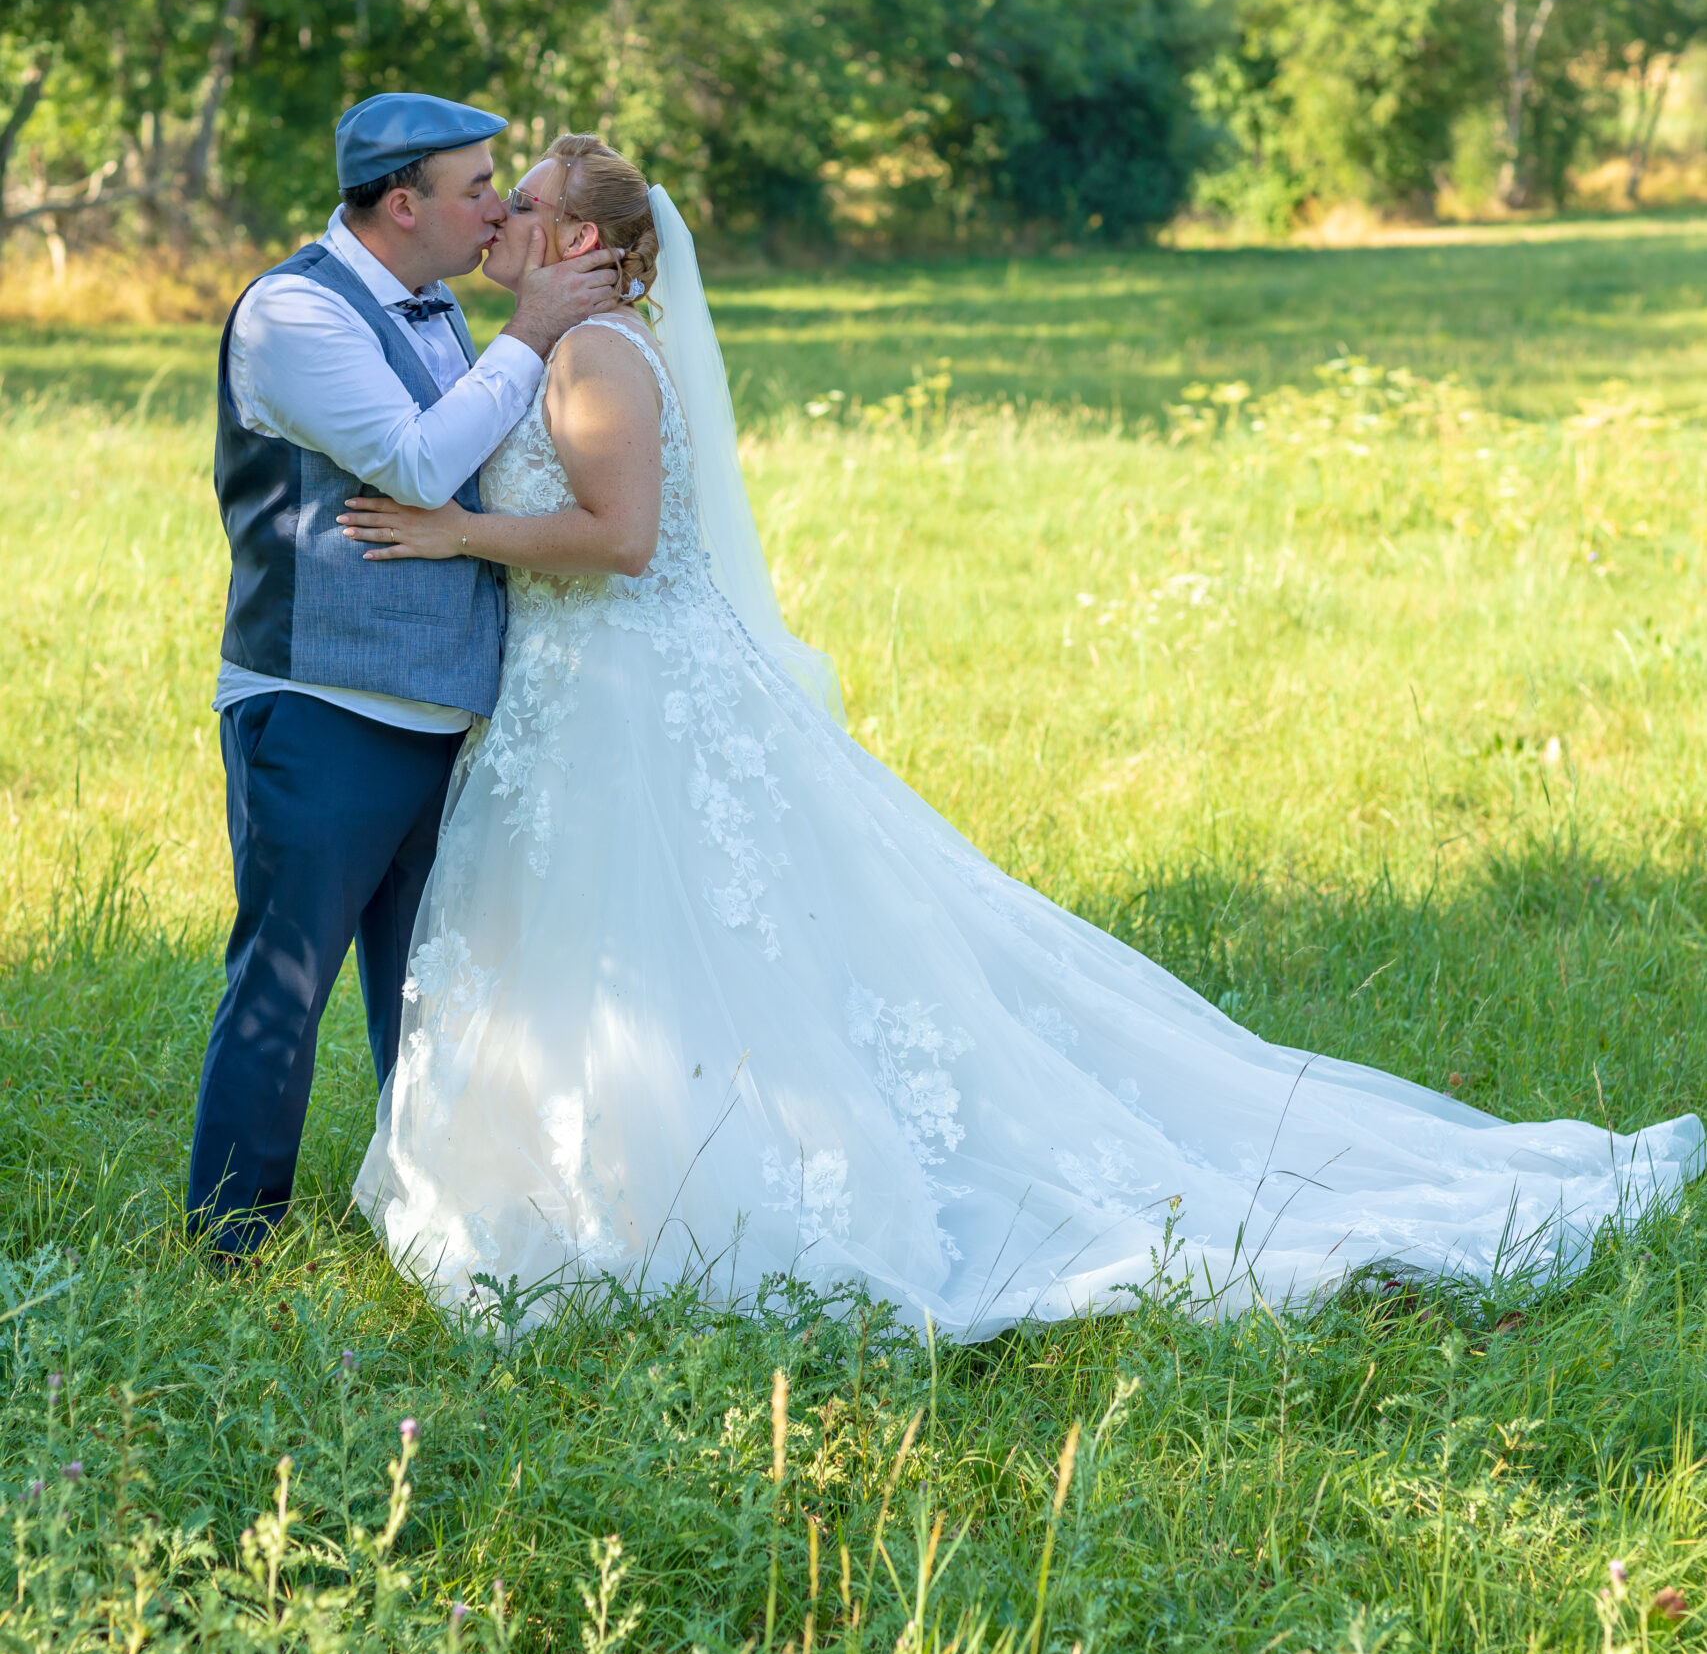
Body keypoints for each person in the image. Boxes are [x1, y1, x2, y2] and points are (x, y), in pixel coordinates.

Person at [339, 134, 1704, 1340]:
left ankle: (679, 1200)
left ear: (581, 240)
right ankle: (604, 1176)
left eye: (516, 207)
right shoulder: (553, 347)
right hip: (578, 703)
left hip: (632, 700)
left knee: (688, 936)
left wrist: (458, 530)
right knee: (636, 951)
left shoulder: (589, 351)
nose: (494, 224)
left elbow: (621, 541)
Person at [187, 91, 620, 1260]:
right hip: (321, 700)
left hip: (443, 706)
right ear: (400, 203)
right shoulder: (295, 313)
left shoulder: (432, 308)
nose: (498, 205)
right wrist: (532, 328)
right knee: (286, 979)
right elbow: (424, 465)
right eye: (478, 186)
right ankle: (231, 1238)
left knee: (430, 994)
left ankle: (425, 1221)